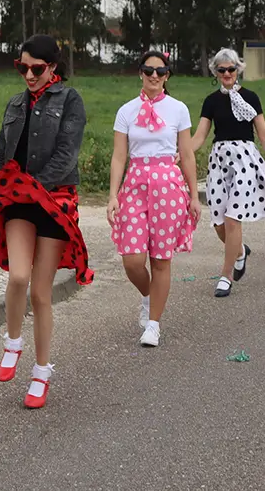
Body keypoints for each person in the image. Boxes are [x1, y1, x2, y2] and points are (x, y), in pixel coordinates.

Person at [0, 35, 90, 409]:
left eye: (36, 69)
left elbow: (66, 154)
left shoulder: (70, 101)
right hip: (18, 200)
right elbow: (0, 154)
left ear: (53, 68)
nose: (28, 74)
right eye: (22, 67)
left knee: (41, 293)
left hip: (54, 199)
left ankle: (42, 372)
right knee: (18, 277)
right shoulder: (15, 103)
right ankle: (13, 343)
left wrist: (33, 187)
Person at [107, 52, 203, 347]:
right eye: (149, 70)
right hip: (135, 184)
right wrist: (113, 195)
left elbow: (186, 154)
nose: (154, 75)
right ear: (140, 73)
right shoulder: (126, 111)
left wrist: (194, 195)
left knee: (161, 259)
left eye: (160, 71)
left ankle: (153, 324)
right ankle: (149, 297)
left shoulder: (178, 109)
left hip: (168, 187)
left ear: (167, 76)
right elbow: (119, 156)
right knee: (132, 258)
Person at [189, 48, 265, 298]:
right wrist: (182, 154)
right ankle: (239, 252)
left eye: (231, 69)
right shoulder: (211, 101)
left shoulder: (250, 97)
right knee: (218, 222)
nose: (227, 73)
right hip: (219, 161)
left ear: (238, 70)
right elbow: (200, 136)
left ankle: (225, 277)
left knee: (232, 217)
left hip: (244, 161)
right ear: (215, 72)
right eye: (221, 70)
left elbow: (264, 135)